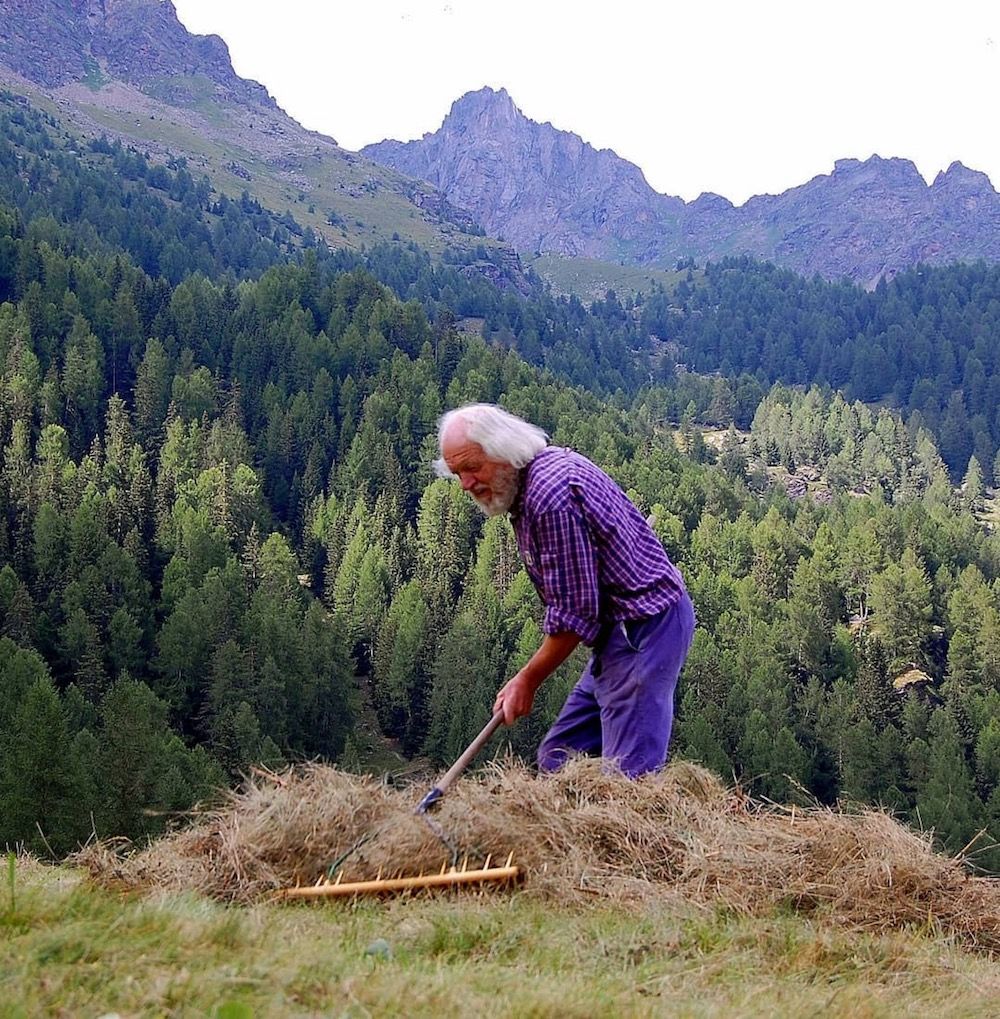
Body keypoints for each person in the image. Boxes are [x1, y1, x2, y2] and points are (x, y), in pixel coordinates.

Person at [434, 402, 695, 778]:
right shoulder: (533, 479)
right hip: (618, 632)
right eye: (457, 473)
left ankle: (627, 835)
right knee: (559, 758)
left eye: (473, 468)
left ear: (505, 453)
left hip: (645, 631)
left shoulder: (548, 498)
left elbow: (575, 616)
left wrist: (527, 679)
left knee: (628, 780)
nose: (466, 484)